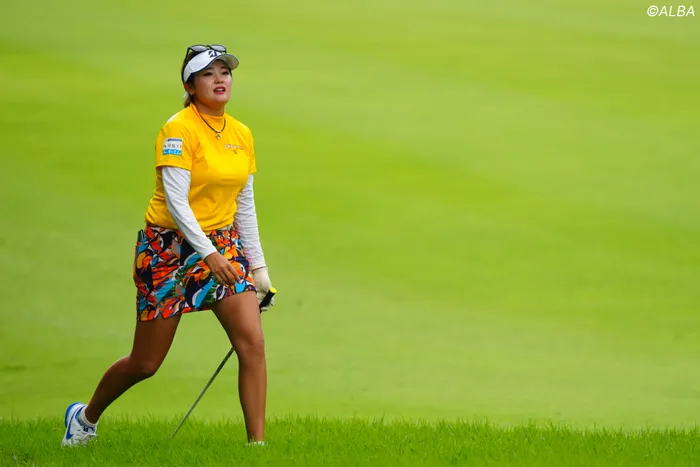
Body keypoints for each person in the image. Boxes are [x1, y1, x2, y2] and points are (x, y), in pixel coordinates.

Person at [62, 44, 274, 446]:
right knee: (145, 363)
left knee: (253, 344)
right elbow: (177, 204)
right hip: (168, 249)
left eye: (225, 72)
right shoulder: (178, 130)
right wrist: (209, 256)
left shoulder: (241, 133)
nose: (220, 79)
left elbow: (244, 204)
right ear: (190, 86)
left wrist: (258, 268)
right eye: (208, 74)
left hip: (223, 243)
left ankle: (256, 448)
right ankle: (84, 418)